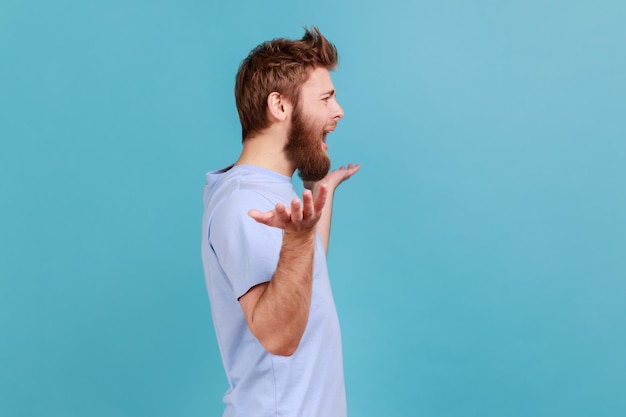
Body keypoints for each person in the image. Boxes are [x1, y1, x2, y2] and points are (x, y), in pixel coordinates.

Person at [201, 27, 360, 417]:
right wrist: (298, 239)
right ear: (281, 106)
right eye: (325, 98)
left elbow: (299, 276)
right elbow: (279, 335)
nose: (338, 111)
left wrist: (318, 197)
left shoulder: (270, 189)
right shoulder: (244, 202)